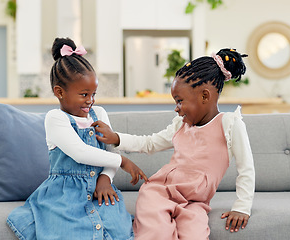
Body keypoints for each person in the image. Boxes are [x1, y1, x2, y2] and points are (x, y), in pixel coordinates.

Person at [93, 48, 255, 240]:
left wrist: (242, 208)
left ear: (205, 96)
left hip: (196, 202)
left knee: (195, 235)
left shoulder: (229, 124)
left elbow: (246, 169)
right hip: (159, 193)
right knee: (155, 233)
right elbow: (150, 143)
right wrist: (116, 138)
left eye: (179, 101)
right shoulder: (180, 124)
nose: (176, 108)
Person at [7, 37, 147, 240]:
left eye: (93, 94)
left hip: (101, 188)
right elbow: (80, 153)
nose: (90, 101)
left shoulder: (99, 113)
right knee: (69, 233)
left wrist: (106, 178)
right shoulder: (55, 118)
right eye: (84, 94)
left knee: (119, 230)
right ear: (60, 92)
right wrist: (123, 161)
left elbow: (110, 151)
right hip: (64, 195)